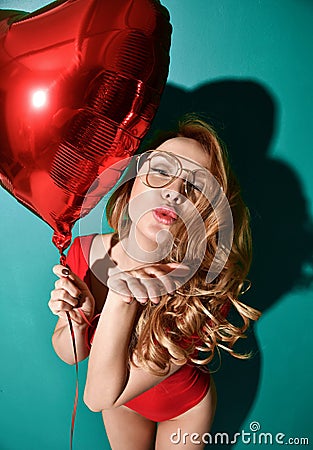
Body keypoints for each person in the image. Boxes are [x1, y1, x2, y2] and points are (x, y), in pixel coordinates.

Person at [49, 115, 261, 450]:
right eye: (161, 171)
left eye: (193, 187)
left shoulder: (202, 288)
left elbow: (97, 396)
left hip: (183, 409)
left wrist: (121, 297)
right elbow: (69, 353)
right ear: (133, 181)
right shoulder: (84, 252)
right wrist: (77, 323)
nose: (174, 192)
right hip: (125, 405)